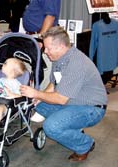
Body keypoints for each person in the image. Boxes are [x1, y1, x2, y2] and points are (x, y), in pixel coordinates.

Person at [20, 26, 108, 161]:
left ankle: (85, 144)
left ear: (61, 46)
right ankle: (74, 127)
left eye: (48, 48)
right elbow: (53, 83)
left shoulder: (76, 63)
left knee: (51, 126)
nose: (45, 51)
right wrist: (39, 97)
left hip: (92, 108)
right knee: (37, 105)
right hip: (72, 101)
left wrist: (37, 94)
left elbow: (60, 99)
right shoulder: (59, 58)